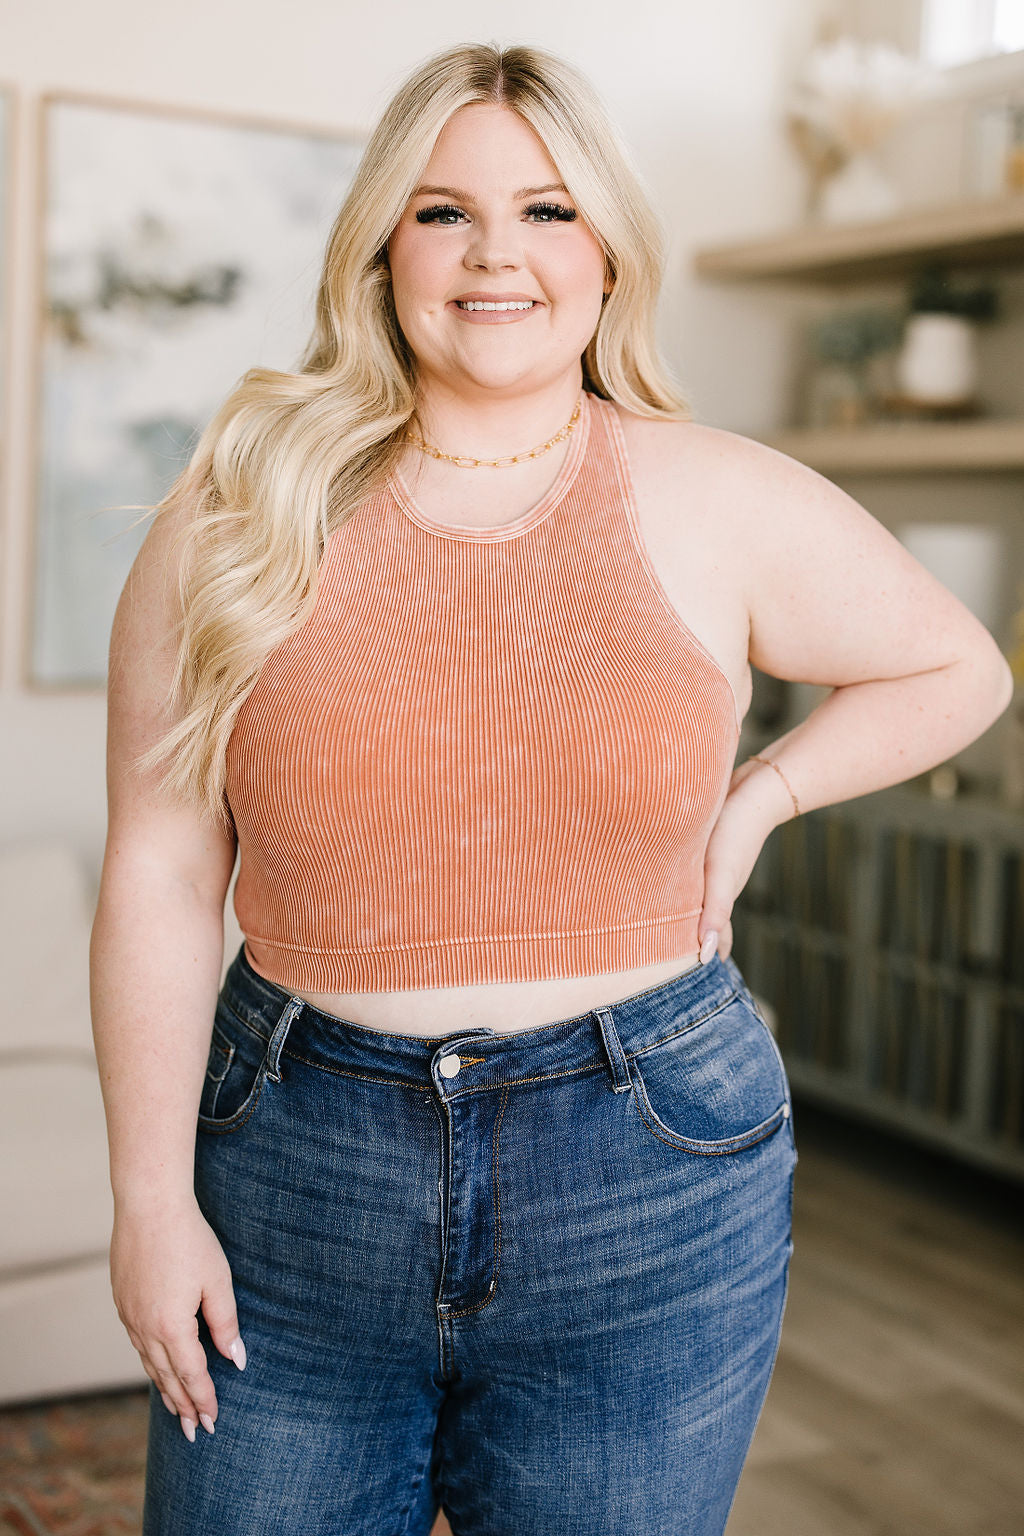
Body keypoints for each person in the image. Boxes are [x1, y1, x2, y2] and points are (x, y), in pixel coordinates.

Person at [89, 40, 1012, 1536]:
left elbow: (958, 666)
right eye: (445, 211)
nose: (496, 255)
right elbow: (159, 872)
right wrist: (148, 1202)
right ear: (384, 248)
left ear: (609, 253)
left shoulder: (713, 492)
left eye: (549, 210)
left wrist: (762, 797)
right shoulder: (238, 510)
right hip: (297, 1171)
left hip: (650, 1167)